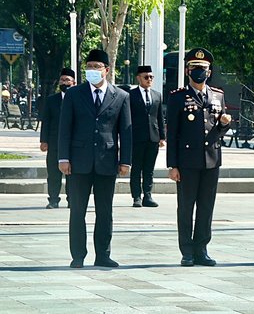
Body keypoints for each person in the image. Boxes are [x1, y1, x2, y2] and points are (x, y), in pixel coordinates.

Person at [58, 49, 132, 268]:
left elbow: (125, 132)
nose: (92, 70)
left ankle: (103, 254)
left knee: (105, 211)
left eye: (96, 67)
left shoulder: (121, 96)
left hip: (107, 161)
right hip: (78, 162)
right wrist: (63, 157)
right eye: (88, 67)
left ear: (106, 70)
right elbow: (65, 128)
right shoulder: (74, 94)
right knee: (77, 210)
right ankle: (78, 255)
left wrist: (125, 160)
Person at [167, 48, 232, 267]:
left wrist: (225, 124)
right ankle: (186, 250)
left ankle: (201, 248)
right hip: (186, 161)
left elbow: (218, 130)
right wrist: (172, 165)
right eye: (195, 68)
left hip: (211, 160)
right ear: (187, 71)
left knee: (206, 206)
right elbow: (173, 133)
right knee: (186, 207)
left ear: (209, 71)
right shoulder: (178, 97)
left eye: (203, 69)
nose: (199, 72)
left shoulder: (218, 95)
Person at [129, 65, 165, 208]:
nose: (149, 79)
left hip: (153, 137)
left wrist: (162, 136)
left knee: (149, 169)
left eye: (151, 77)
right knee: (137, 168)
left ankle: (147, 195)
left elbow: (160, 117)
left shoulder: (157, 95)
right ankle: (136, 196)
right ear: (139, 78)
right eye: (146, 77)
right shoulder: (131, 95)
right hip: (137, 137)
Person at [40, 68, 76, 209]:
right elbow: (46, 121)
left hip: (74, 143)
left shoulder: (79, 99)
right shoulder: (52, 100)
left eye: (67, 80)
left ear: (73, 82)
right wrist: (44, 140)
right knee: (54, 173)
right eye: (62, 80)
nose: (64, 82)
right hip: (55, 142)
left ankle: (72, 200)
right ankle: (53, 199)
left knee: (72, 175)